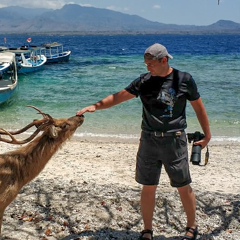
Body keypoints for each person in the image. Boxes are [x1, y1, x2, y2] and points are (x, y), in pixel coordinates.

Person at [76, 43, 211, 240]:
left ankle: (192, 227)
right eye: (146, 63)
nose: (148, 67)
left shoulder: (184, 79)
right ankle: (147, 230)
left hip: (175, 140)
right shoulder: (144, 81)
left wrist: (207, 136)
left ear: (164, 60)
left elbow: (199, 108)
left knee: (183, 185)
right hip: (148, 140)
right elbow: (118, 97)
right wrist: (96, 106)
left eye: (151, 64)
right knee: (148, 186)